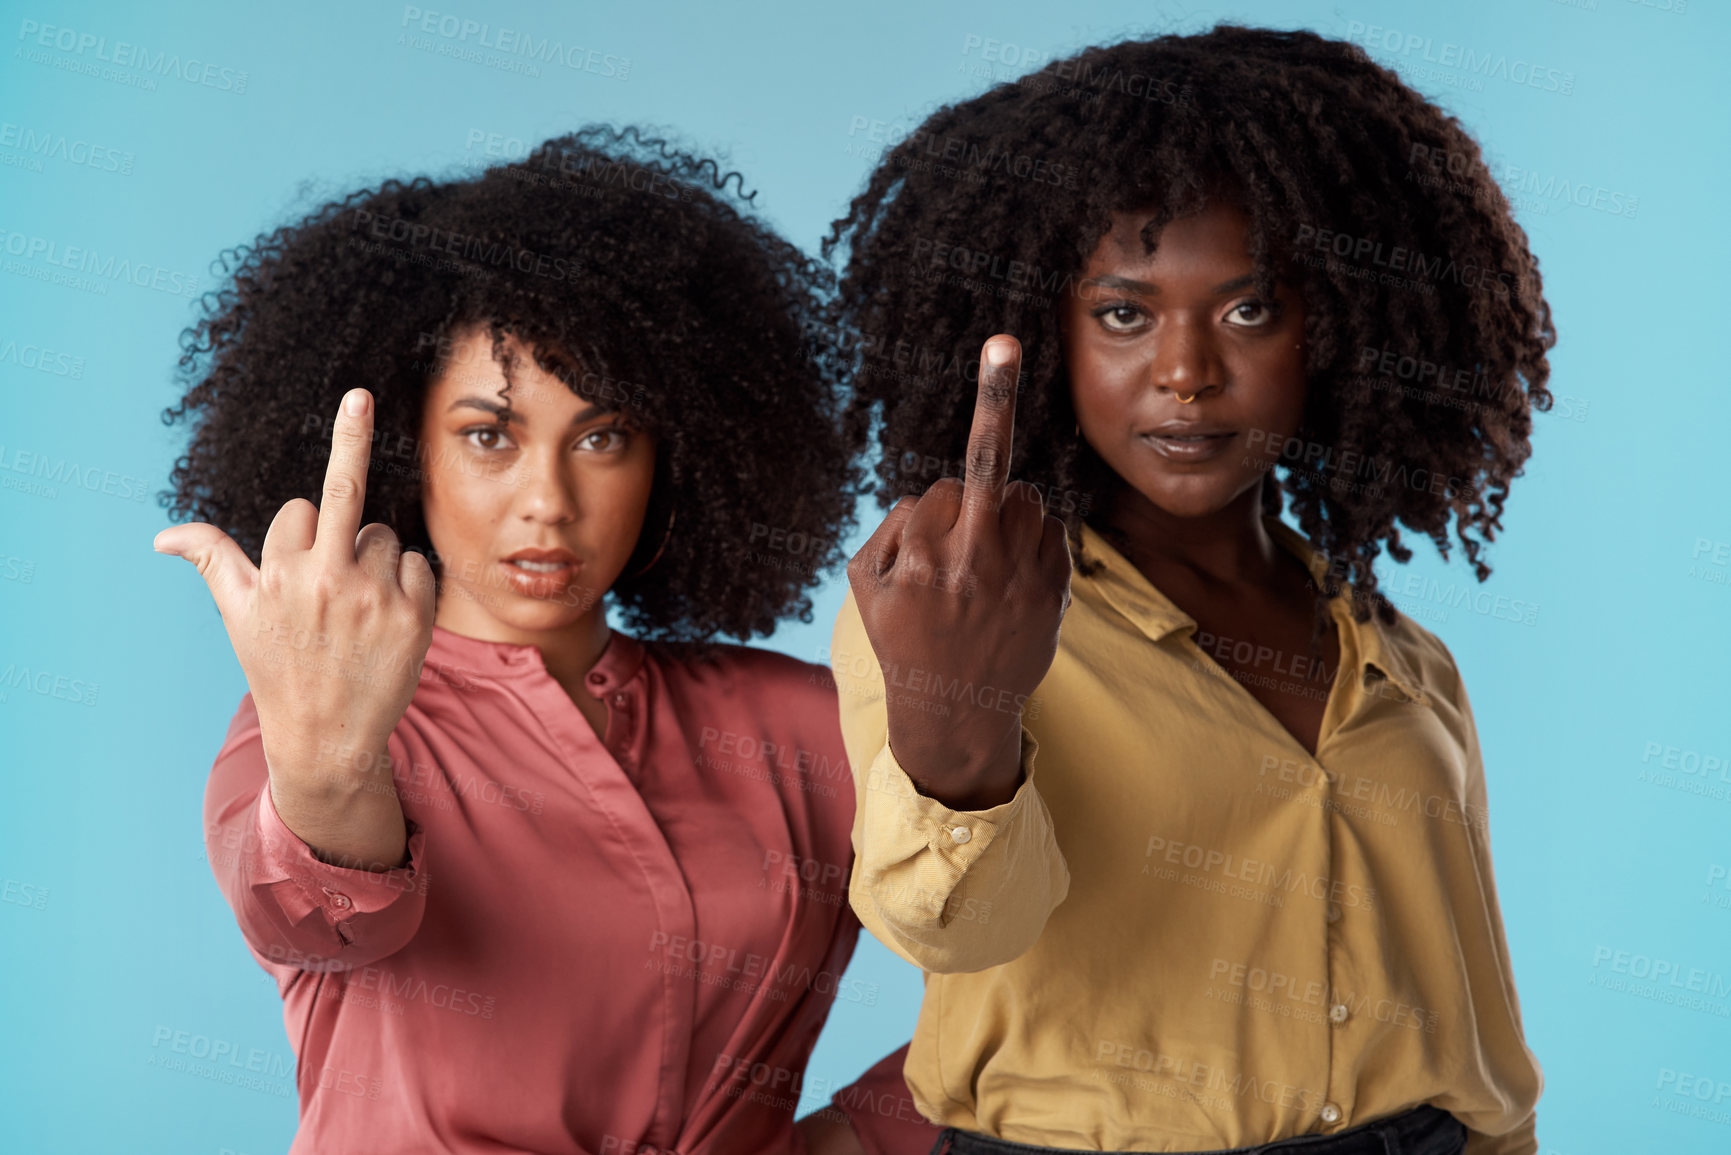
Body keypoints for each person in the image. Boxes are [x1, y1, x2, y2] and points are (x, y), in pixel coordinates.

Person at [818, 25, 1552, 1155]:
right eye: (1124, 312)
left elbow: (1474, 1023)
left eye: (1251, 310)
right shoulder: (954, 606)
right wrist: (960, 738)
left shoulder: (1400, 656)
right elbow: (951, 933)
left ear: (1337, 330)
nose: (1187, 371)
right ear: (1051, 335)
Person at [156, 125, 939, 1155]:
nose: (549, 502)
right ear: (410, 454)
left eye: (602, 437)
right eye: (490, 436)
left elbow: (1034, 978)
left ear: (675, 453)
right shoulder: (316, 720)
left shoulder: (799, 724)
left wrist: (853, 1139)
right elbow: (311, 915)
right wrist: (329, 759)